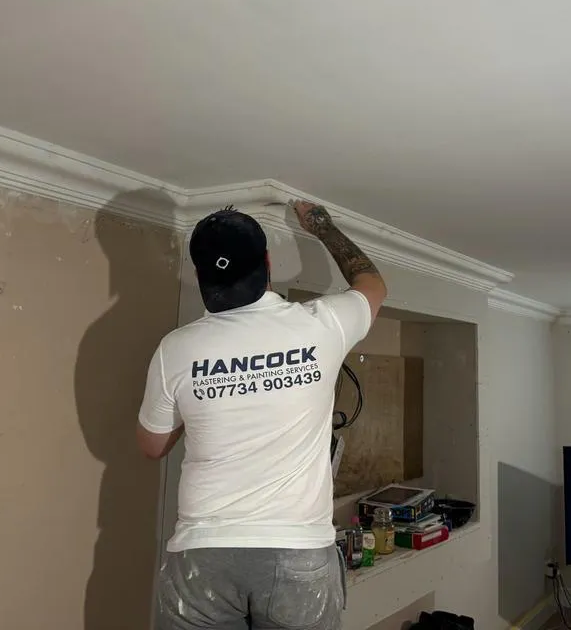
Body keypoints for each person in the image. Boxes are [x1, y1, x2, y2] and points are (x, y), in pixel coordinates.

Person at [136, 199, 387, 630]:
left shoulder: (175, 348)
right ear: (267, 264)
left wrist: (200, 404)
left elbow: (152, 444)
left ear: (201, 276)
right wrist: (322, 227)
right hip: (296, 551)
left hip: (202, 555)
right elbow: (373, 285)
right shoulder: (322, 324)